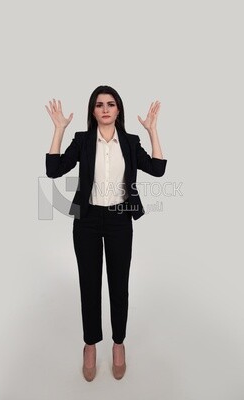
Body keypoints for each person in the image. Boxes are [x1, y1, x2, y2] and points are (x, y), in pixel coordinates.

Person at [45, 85, 167, 381]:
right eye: (99, 105)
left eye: (111, 104)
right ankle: (90, 344)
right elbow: (53, 170)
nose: (105, 109)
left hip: (119, 219)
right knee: (89, 284)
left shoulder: (130, 141)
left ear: (118, 110)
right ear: (93, 111)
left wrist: (152, 130)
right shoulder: (83, 140)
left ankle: (118, 344)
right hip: (86, 220)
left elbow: (158, 169)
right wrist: (59, 128)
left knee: (118, 284)